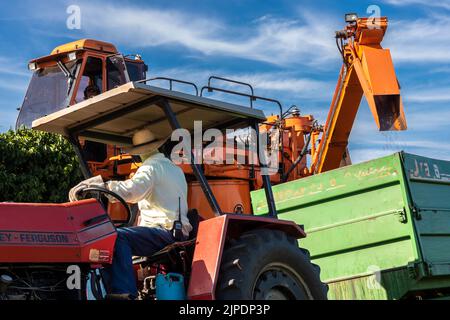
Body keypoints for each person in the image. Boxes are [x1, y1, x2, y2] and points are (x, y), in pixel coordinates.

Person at [69, 128, 192, 299]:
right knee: (121, 235)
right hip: (175, 231)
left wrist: (102, 185)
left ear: (139, 153)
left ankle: (123, 294)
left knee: (116, 237)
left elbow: (131, 191)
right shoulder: (174, 169)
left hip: (163, 232)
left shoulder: (151, 168)